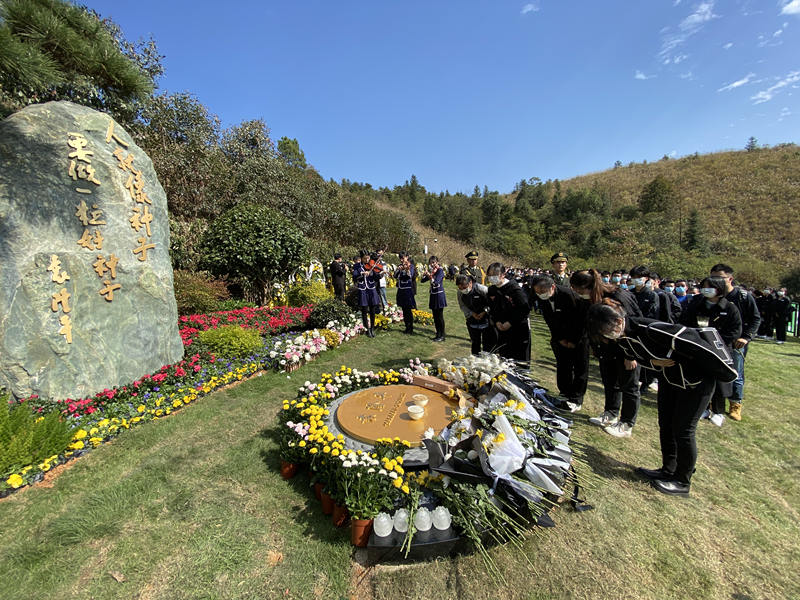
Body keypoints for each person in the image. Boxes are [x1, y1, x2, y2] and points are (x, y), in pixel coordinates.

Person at [586, 300, 737, 497]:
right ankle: (668, 469)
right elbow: (640, 357)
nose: (605, 334)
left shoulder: (651, 329)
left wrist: (721, 383)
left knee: (684, 430)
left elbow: (699, 348)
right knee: (666, 425)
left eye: (605, 329)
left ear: (617, 320)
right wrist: (652, 361)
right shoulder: (622, 339)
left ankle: (683, 480)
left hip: (695, 383)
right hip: (670, 381)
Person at [570, 269, 642, 438]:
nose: (579, 294)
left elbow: (632, 325)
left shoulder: (618, 296)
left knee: (629, 386)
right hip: (605, 347)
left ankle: (626, 423)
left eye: (580, 290)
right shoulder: (588, 299)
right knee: (610, 381)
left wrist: (630, 355)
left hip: (625, 348)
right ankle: (610, 412)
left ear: (589, 285)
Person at [680, 276, 742, 426]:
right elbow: (684, 321)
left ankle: (718, 411)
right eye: (704, 287)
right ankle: (703, 408)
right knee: (701, 379)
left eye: (709, 287)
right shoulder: (696, 304)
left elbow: (735, 330)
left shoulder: (729, 308)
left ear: (719, 289)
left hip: (720, 349)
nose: (705, 290)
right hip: (698, 346)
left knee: (718, 382)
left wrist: (718, 341)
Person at [709, 264, 761, 421]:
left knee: (735, 373)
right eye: (712, 278)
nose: (715, 281)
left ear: (730, 279)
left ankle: (735, 404)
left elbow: (755, 319)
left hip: (736, 342)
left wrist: (746, 337)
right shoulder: (714, 295)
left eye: (719, 278)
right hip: (715, 340)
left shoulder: (743, 296)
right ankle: (714, 402)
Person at [532, 274, 588, 411]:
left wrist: (573, 340)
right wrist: (560, 338)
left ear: (552, 287)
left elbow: (579, 320)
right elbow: (549, 320)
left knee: (580, 367)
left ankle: (576, 398)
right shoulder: (542, 298)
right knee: (563, 365)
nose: (540, 295)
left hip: (578, 337)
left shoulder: (569, 295)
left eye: (542, 291)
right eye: (537, 292)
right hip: (559, 338)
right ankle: (564, 392)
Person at [486, 262, 531, 367]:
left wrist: (510, 322)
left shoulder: (514, 289)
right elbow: (492, 308)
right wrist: (497, 321)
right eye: (490, 275)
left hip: (518, 328)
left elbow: (524, 309)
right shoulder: (492, 289)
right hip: (501, 328)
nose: (492, 278)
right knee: (504, 358)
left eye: (494, 275)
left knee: (519, 361)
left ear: (503, 274)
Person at [456, 274, 496, 354]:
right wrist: (471, 313)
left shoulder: (482, 289)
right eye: (460, 288)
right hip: (472, 320)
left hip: (486, 319)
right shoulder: (460, 293)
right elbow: (462, 306)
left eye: (464, 287)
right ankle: (475, 359)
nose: (463, 290)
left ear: (470, 283)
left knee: (487, 343)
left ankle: (487, 360)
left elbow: (493, 303)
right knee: (475, 342)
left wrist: (484, 312)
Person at [352, 250, 381, 338]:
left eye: (368, 258)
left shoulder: (372, 265)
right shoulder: (357, 266)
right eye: (365, 258)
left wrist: (375, 273)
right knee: (364, 310)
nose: (367, 260)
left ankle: (372, 328)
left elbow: (377, 277)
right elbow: (354, 277)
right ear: (361, 258)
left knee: (372, 309)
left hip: (371, 289)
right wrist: (362, 273)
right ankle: (367, 328)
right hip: (362, 289)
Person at [421, 255, 447, 341]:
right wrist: (425, 275)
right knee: (435, 316)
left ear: (437, 262)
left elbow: (436, 282)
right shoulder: (433, 271)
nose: (432, 264)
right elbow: (422, 281)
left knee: (440, 316)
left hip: (439, 295)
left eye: (433, 263)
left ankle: (442, 335)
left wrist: (430, 276)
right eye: (430, 263)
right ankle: (438, 333)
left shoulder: (440, 271)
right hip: (433, 295)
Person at [394, 252, 417, 334]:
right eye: (400, 258)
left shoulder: (411, 266)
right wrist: (398, 270)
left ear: (407, 257)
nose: (401, 260)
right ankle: (407, 326)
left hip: (407, 290)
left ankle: (410, 328)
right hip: (401, 290)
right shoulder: (400, 266)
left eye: (403, 258)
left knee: (408, 310)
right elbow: (395, 276)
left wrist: (406, 269)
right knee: (404, 309)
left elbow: (410, 275)